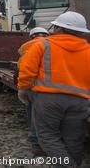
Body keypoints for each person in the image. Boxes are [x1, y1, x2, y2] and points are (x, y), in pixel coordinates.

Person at [17, 11, 90, 166]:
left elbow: (27, 70)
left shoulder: (43, 45)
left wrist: (23, 89)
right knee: (74, 138)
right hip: (80, 101)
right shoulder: (88, 50)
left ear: (59, 29)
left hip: (48, 100)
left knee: (48, 137)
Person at [17, 27, 50, 156]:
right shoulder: (53, 44)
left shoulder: (25, 47)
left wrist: (22, 88)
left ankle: (36, 144)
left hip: (33, 86)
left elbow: (22, 67)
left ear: (32, 36)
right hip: (51, 86)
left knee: (33, 113)